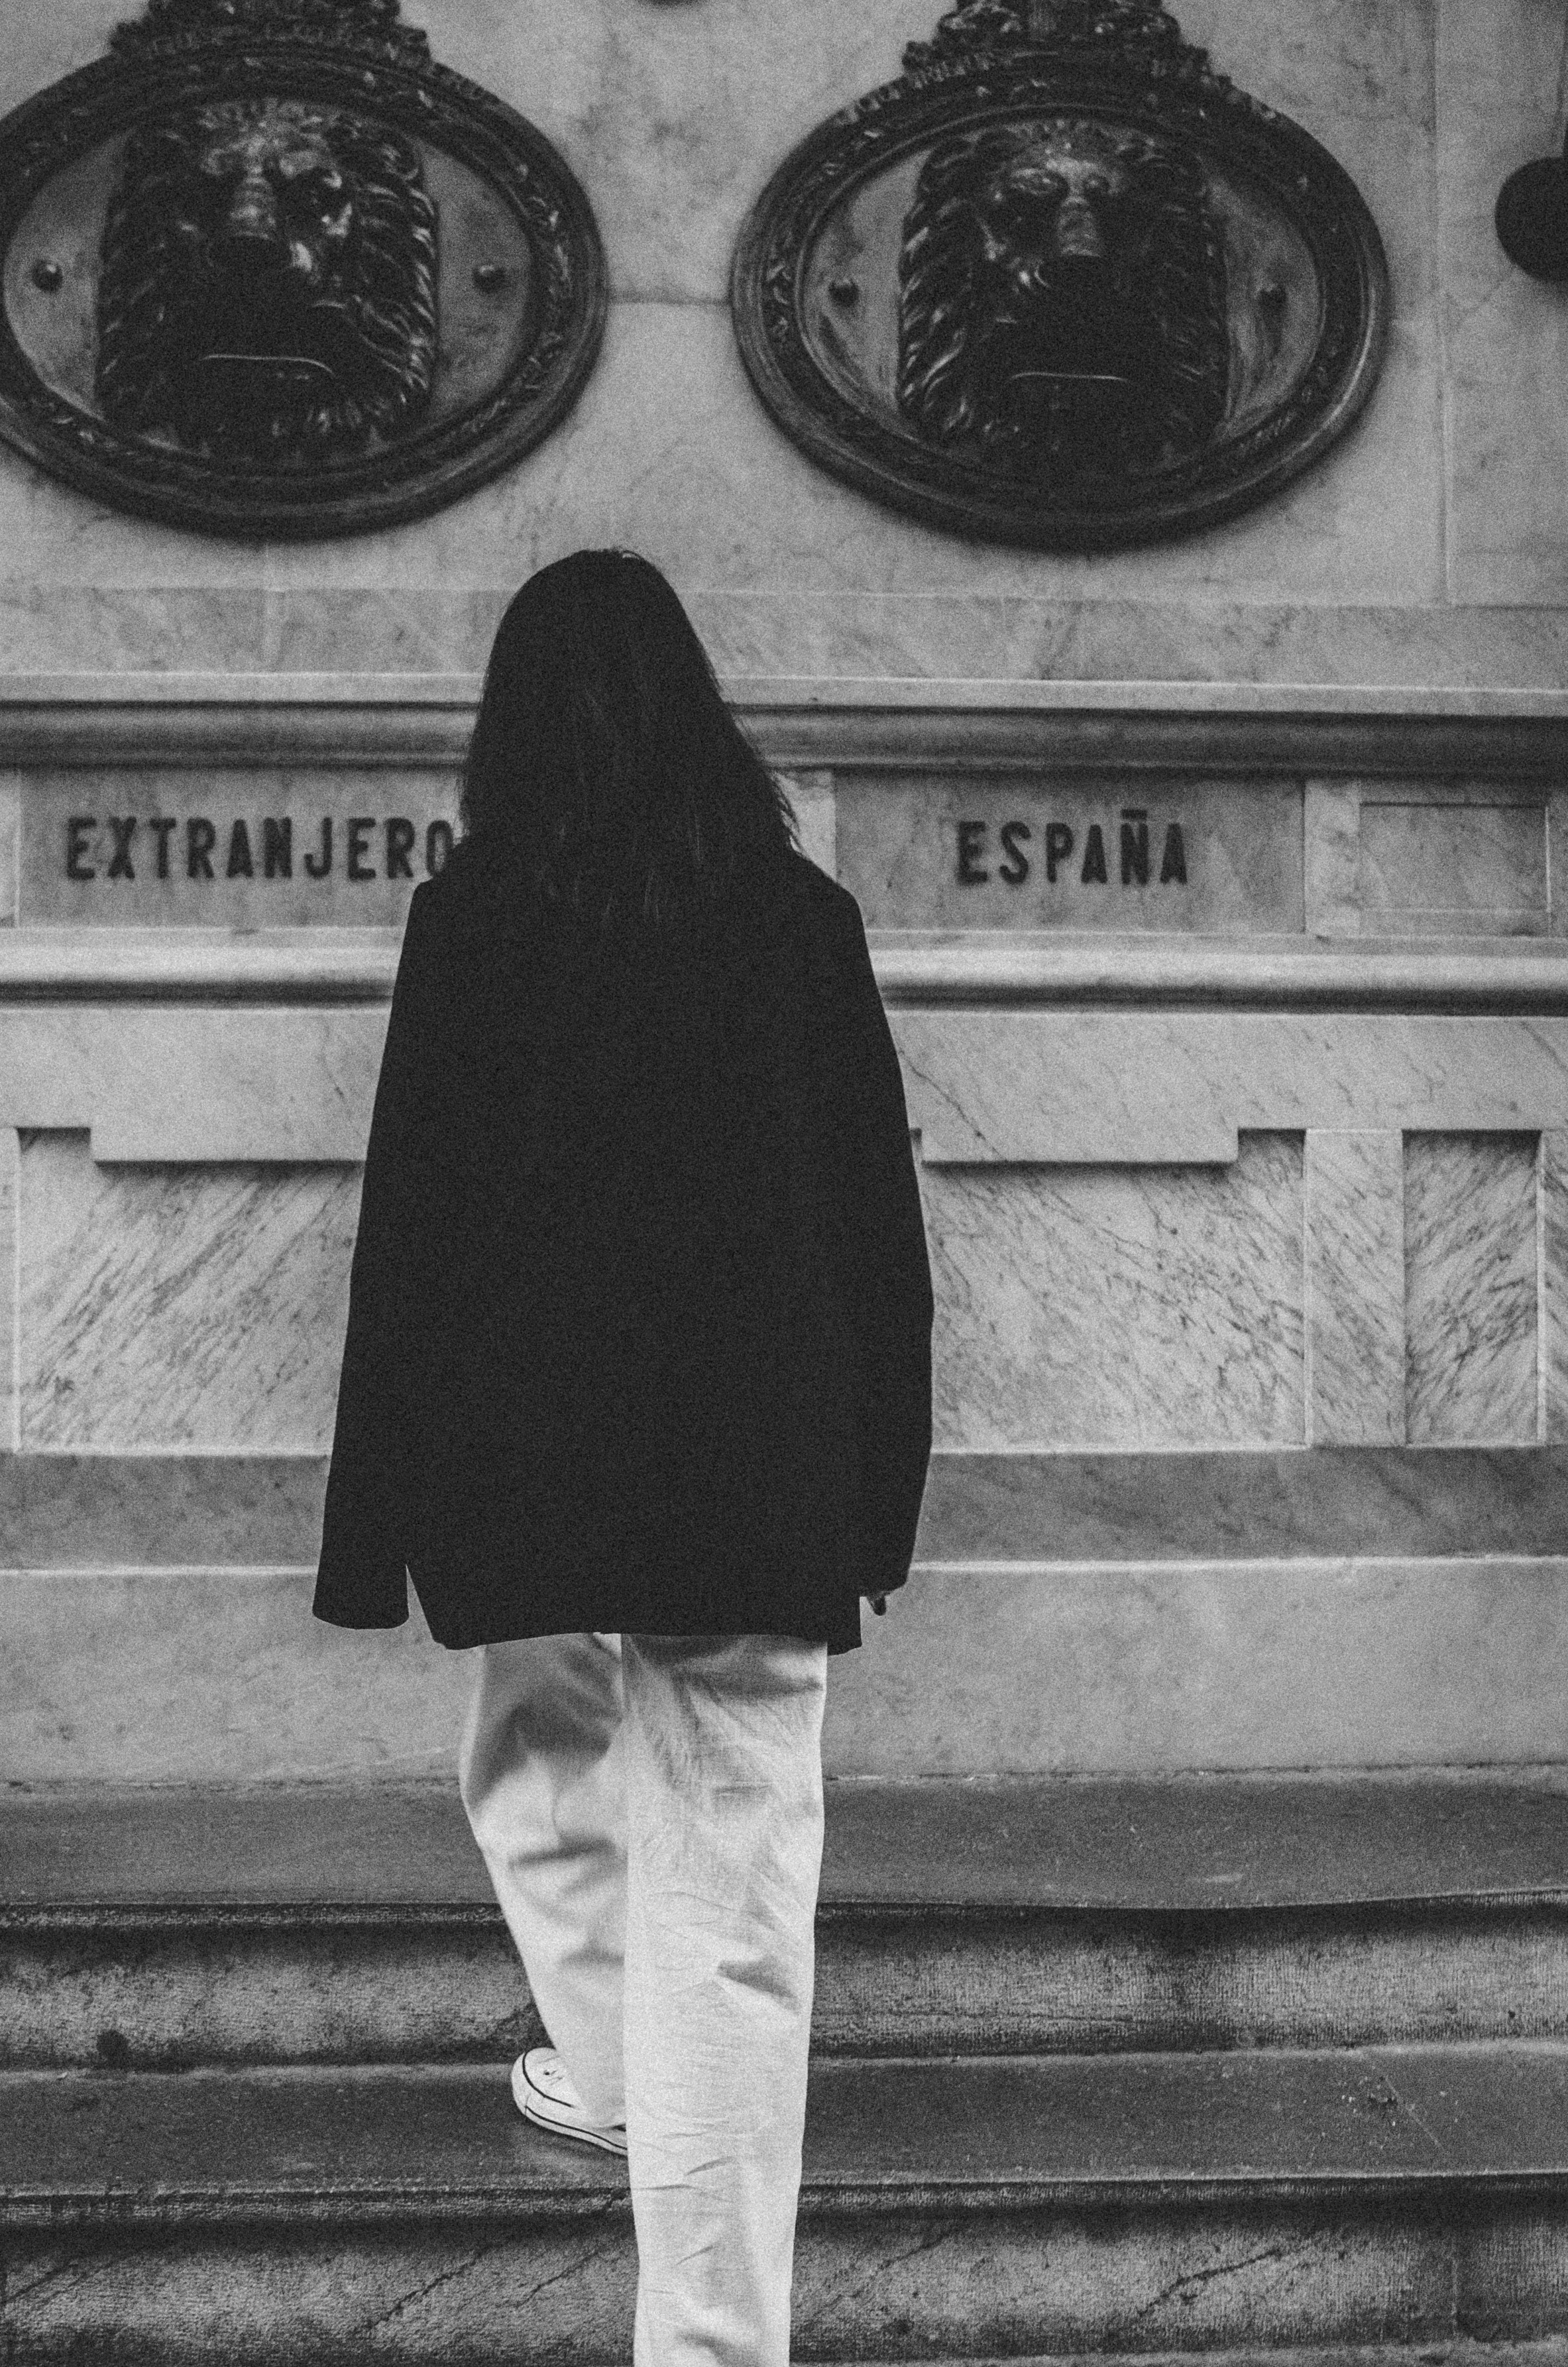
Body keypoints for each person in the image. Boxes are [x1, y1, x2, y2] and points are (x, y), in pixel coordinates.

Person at [311, 548, 934, 2366]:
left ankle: (610, 2066)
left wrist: (382, 1524)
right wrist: (876, 1500)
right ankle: (697, 2294)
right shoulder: (798, 917)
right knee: (730, 1915)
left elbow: (406, 1232)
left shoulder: (474, 916)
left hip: (528, 1474)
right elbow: (875, 1243)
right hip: (745, 1486)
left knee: (526, 1763)